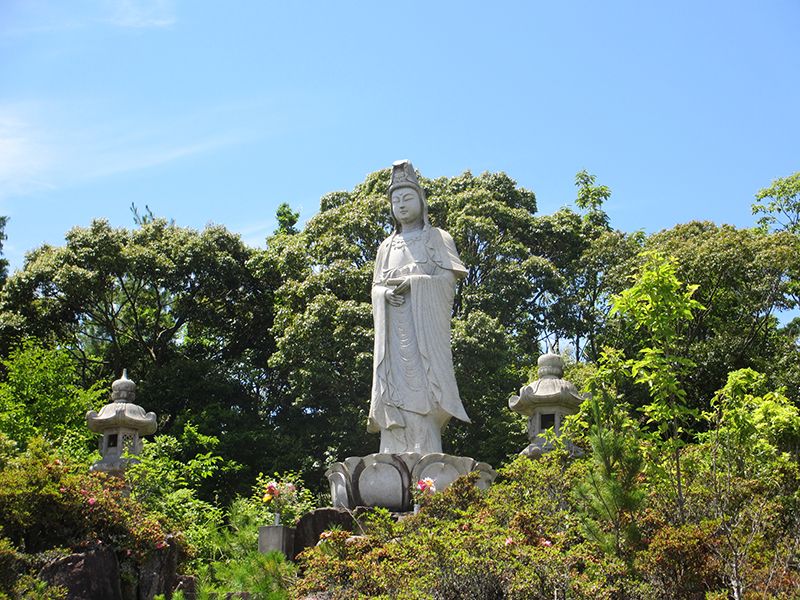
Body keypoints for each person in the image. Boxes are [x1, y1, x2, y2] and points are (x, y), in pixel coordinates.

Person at [368, 160, 470, 454]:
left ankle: (426, 450)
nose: (401, 205)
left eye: (407, 197)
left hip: (422, 334)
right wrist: (383, 295)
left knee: (423, 393)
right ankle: (392, 450)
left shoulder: (437, 238)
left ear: (422, 202)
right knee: (394, 392)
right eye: (395, 200)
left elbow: (448, 281)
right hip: (392, 335)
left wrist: (416, 283)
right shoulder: (386, 247)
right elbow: (376, 287)